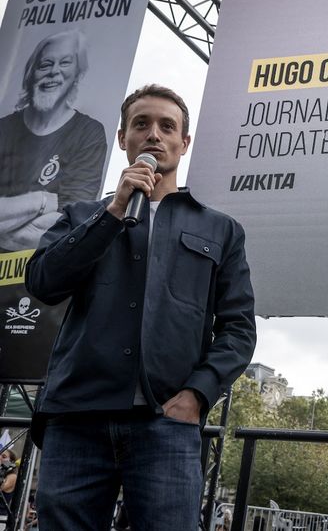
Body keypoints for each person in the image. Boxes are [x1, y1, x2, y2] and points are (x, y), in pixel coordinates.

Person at [25, 84, 257, 530]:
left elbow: (238, 329)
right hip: (77, 419)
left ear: (183, 143)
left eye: (167, 126)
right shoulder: (80, 216)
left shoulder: (221, 230)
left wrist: (197, 394)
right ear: (122, 138)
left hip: (165, 424)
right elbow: (44, 283)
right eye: (141, 124)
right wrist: (112, 211)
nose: (154, 134)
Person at [0, 29, 108, 252]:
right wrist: (41, 201)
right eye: (45, 64)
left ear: (77, 74)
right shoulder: (3, 129)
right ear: (31, 73)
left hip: (35, 280)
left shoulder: (89, 134)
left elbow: (67, 227)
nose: (54, 72)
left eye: (65, 63)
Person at [0, 449, 18, 521]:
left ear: (11, 462)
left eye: (4, 457)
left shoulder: (12, 477)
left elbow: (1, 487)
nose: (0, 458)